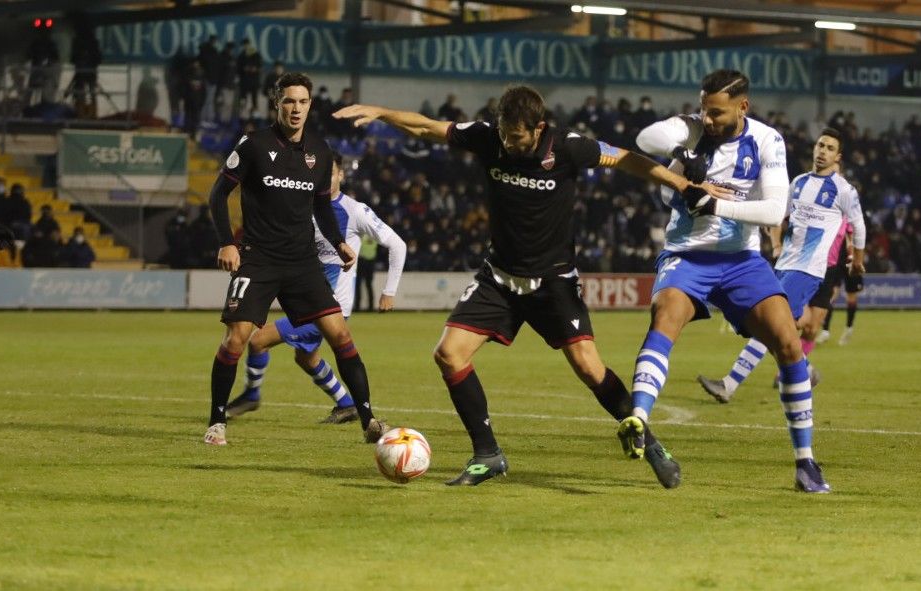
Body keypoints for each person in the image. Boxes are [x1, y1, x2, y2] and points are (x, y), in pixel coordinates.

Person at [335, 84, 725, 487]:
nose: (508, 142)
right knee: (449, 354)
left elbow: (627, 160)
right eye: (504, 133)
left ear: (538, 128)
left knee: (590, 369)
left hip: (553, 282)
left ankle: (653, 445)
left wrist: (681, 185)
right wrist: (382, 111)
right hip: (499, 278)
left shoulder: (571, 148)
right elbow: (428, 129)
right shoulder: (490, 138)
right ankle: (487, 454)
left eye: (516, 136)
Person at [619, 69, 831, 493]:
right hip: (686, 256)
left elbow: (773, 211)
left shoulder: (767, 140)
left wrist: (713, 205)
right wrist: (685, 151)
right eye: (704, 109)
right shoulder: (694, 130)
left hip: (741, 261)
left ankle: (805, 462)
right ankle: (638, 420)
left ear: (743, 107)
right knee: (666, 315)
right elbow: (645, 139)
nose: (708, 118)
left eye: (717, 112)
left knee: (788, 342)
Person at [203, 71, 387, 446]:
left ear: (310, 106)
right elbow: (217, 195)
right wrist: (227, 243)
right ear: (277, 103)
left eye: (303, 102)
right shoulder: (253, 145)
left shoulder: (319, 152)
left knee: (341, 334)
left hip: (302, 263)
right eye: (289, 101)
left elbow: (321, 206)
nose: (296, 108)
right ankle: (216, 422)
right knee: (236, 340)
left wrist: (338, 243)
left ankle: (368, 419)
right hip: (258, 258)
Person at [224, 153, 406, 423]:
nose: (325, 178)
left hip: (330, 307)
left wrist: (389, 291)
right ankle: (347, 404)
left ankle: (252, 395)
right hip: (308, 298)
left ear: (341, 176)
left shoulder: (355, 211)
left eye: (331, 173)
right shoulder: (304, 206)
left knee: (259, 340)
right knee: (307, 358)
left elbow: (398, 244)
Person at [696, 128, 866, 403]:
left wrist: (856, 261)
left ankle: (729, 384)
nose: (822, 151)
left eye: (830, 148)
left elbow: (858, 226)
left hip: (808, 269)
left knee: (770, 325)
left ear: (838, 156)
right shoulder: (797, 183)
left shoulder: (844, 190)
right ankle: (806, 370)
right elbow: (777, 216)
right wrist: (776, 245)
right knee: (775, 328)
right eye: (820, 145)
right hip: (784, 265)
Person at [816, 226, 865, 346]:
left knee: (851, 296)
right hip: (837, 257)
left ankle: (848, 328)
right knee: (832, 293)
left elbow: (859, 234)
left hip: (851, 259)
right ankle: (825, 330)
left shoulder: (854, 214)